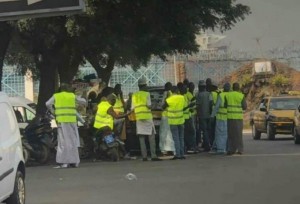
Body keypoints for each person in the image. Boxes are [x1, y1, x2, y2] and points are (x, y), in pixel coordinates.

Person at [46, 83, 86, 168]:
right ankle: (75, 162)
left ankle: (65, 162)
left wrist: (54, 112)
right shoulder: (72, 96)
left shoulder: (56, 96)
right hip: (72, 121)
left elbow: (48, 104)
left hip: (62, 121)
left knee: (63, 142)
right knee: (73, 141)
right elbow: (83, 102)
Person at [131, 77, 162, 161]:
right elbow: (148, 105)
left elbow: (132, 108)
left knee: (141, 137)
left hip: (139, 118)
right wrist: (154, 104)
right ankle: (153, 155)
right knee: (151, 136)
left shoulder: (134, 95)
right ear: (144, 85)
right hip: (147, 117)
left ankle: (144, 156)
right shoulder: (147, 94)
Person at [163, 86, 185, 160]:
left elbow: (163, 107)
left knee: (176, 138)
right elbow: (184, 107)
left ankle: (178, 155)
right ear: (177, 90)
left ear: (171, 91)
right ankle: (182, 154)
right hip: (181, 120)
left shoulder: (169, 99)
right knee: (181, 138)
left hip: (173, 121)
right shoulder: (182, 98)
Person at [226, 83, 247, 155]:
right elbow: (244, 107)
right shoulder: (241, 96)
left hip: (230, 117)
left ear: (232, 87)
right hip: (238, 118)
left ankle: (231, 149)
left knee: (231, 134)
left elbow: (225, 105)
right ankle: (240, 149)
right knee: (238, 134)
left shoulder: (228, 95)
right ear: (239, 88)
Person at [210, 83, 231, 154]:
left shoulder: (221, 95)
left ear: (224, 88)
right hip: (229, 118)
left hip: (221, 118)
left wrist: (212, 116)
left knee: (220, 134)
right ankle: (226, 148)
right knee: (227, 134)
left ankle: (220, 149)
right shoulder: (230, 95)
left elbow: (216, 107)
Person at [196, 80, 213, 152]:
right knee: (209, 130)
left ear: (200, 87)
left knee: (204, 131)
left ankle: (206, 146)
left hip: (202, 115)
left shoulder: (199, 95)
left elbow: (198, 105)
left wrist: (197, 114)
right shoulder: (209, 94)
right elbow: (211, 103)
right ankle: (209, 144)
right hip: (208, 114)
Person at [159, 82, 175, 155]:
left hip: (166, 116)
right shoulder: (173, 94)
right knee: (170, 133)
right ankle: (171, 149)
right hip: (171, 116)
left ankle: (164, 149)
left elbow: (163, 105)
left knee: (164, 133)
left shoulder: (166, 93)